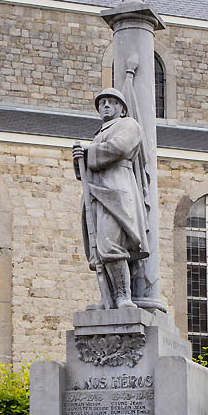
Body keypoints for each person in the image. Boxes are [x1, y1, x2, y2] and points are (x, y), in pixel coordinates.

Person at [73, 86, 150, 310]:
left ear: (122, 108)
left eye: (111, 101)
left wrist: (87, 151)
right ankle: (108, 300)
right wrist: (79, 157)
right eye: (102, 102)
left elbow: (120, 148)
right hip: (95, 192)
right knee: (97, 250)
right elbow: (84, 170)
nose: (106, 105)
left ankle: (123, 297)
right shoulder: (98, 134)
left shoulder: (128, 125)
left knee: (110, 246)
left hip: (116, 190)